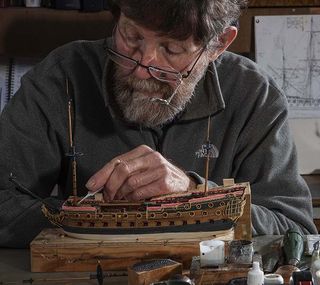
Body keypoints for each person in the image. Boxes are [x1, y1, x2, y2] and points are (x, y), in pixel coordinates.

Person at [0, 0, 317, 248]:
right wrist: (88, 217)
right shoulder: (61, 78)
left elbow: (294, 230)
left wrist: (194, 195)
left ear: (218, 44)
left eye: (172, 49)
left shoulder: (252, 96)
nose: (142, 68)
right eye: (132, 36)